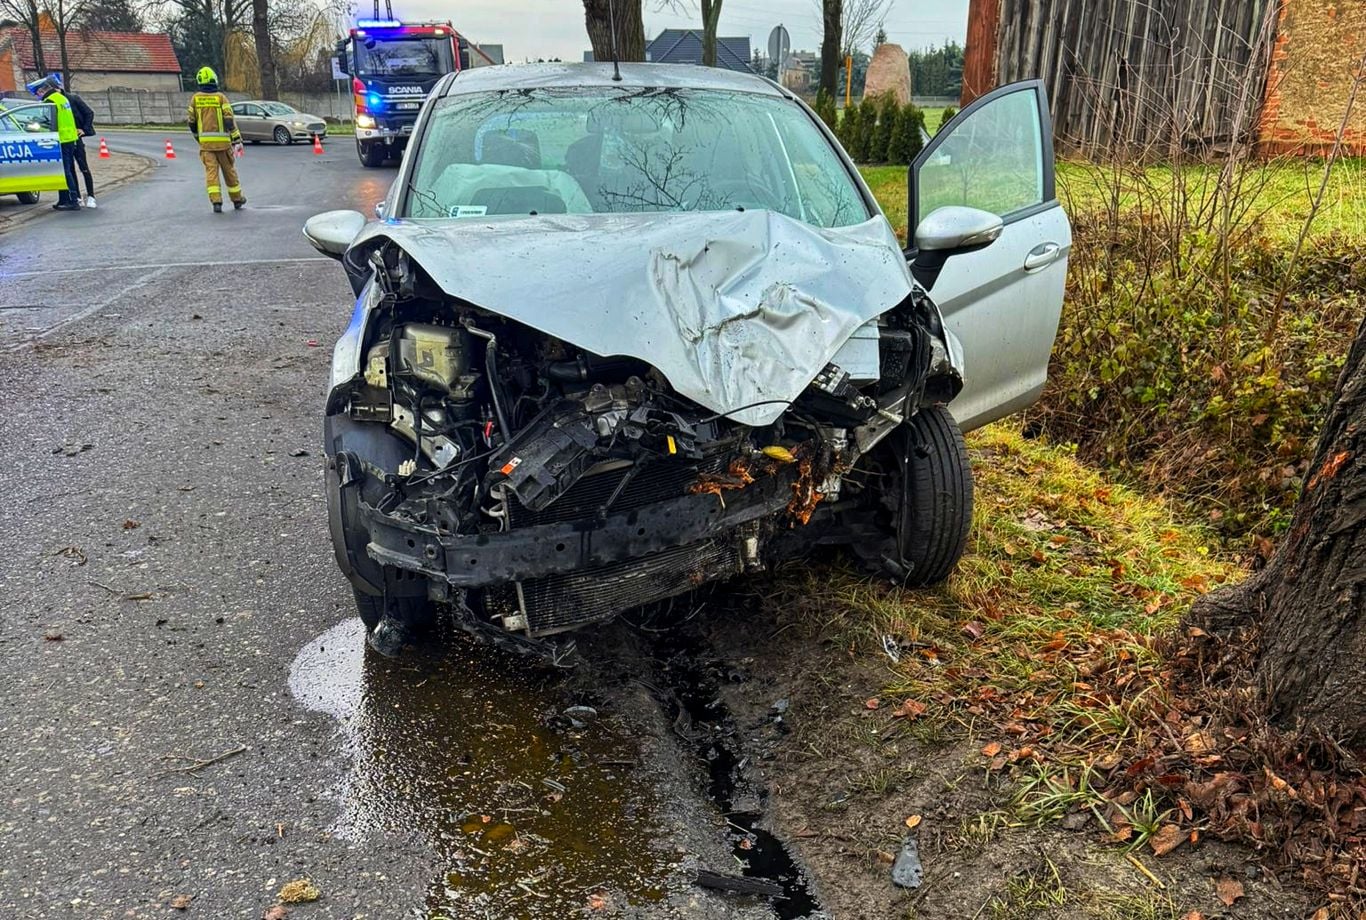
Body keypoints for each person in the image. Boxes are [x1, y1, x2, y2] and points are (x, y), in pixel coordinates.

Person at [185, 66, 245, 213]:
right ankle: (237, 199)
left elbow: (191, 122)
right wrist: (236, 139)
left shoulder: (195, 99)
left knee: (211, 174)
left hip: (206, 146)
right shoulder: (221, 97)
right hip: (223, 144)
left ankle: (216, 202)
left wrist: (198, 138)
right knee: (229, 171)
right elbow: (229, 120)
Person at [25, 73, 80, 211]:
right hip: (69, 138)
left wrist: (30, 126)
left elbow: (44, 120)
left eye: (38, 92)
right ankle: (64, 199)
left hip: (61, 139)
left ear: (42, 90)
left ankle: (73, 200)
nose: (38, 95)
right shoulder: (60, 98)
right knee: (62, 171)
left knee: (65, 172)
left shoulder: (50, 101)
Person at [67, 87, 97, 208]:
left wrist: (84, 129)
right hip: (64, 140)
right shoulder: (51, 101)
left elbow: (89, 113)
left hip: (76, 138)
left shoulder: (73, 98)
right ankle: (77, 196)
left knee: (83, 167)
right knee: (70, 170)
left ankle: (91, 196)